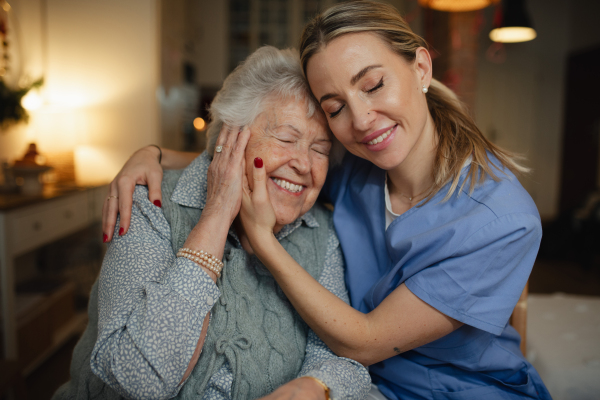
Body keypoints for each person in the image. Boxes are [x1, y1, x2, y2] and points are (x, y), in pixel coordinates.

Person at [102, 2, 552, 399]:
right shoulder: (360, 164)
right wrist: (155, 155)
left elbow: (366, 341)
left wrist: (263, 240)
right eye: (334, 107)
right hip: (365, 384)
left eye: (374, 85)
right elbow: (270, 161)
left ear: (421, 68)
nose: (360, 120)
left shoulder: (504, 220)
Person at [53, 46, 370, 400]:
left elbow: (344, 357)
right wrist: (218, 213)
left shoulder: (319, 231)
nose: (304, 164)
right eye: (286, 138)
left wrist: (309, 389)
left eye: (321, 150)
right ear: (229, 139)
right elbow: (138, 378)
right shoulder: (151, 205)